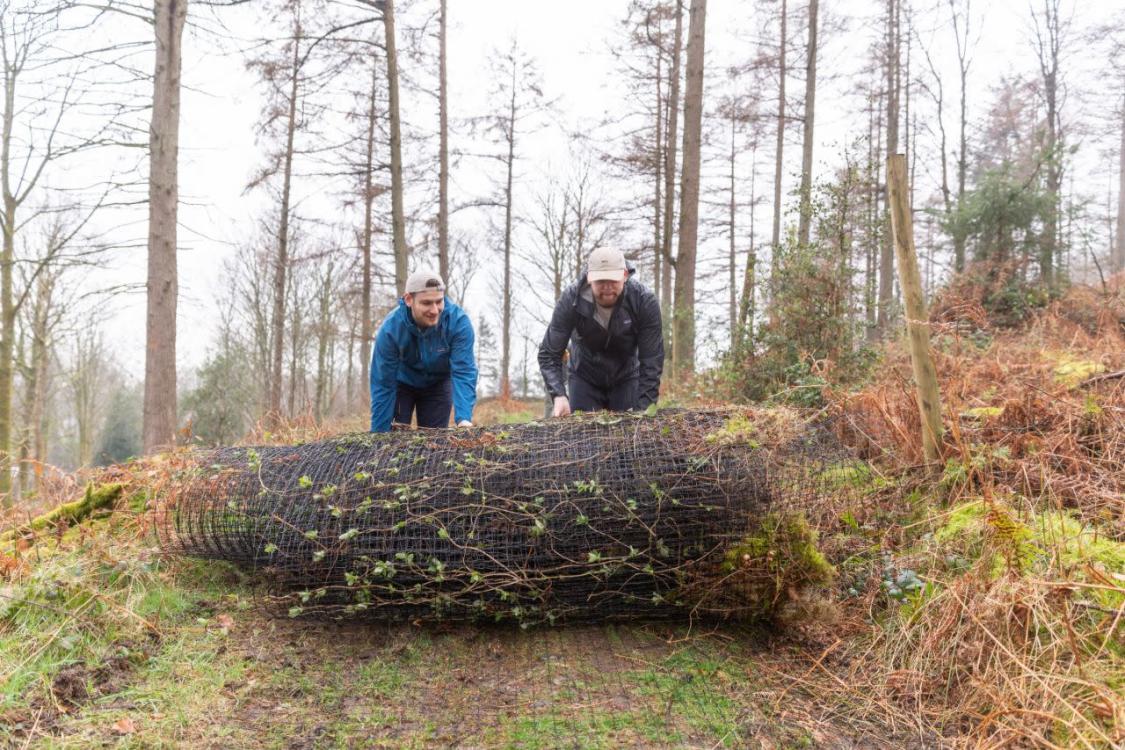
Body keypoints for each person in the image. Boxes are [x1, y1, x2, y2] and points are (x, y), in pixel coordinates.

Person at [538, 247, 664, 416]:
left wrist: (644, 408)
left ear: (625, 275)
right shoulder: (571, 299)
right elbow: (549, 353)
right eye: (600, 281)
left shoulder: (643, 301)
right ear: (589, 278)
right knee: (581, 438)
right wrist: (558, 395)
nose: (607, 287)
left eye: (613, 280)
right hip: (583, 376)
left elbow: (651, 360)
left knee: (627, 436)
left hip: (626, 376)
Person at [370, 269, 478, 432]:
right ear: (408, 299)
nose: (434, 310)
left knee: (433, 443)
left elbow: (463, 371)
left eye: (439, 301)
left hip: (437, 385)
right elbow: (383, 384)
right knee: (392, 437)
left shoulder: (458, 324)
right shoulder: (390, 330)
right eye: (426, 303)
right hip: (402, 384)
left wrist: (463, 418)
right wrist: (378, 435)